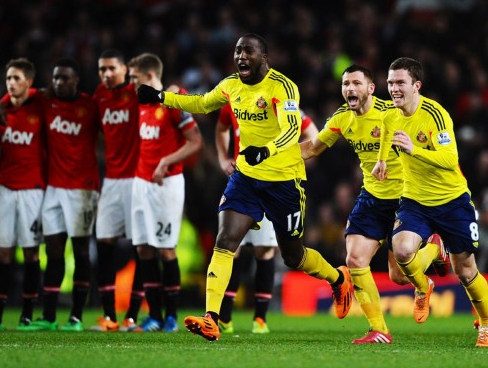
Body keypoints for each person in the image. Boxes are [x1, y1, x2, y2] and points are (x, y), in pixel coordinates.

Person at [137, 33, 353, 341]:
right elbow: (202, 103)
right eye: (238, 51)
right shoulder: (231, 85)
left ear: (263, 58)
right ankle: (212, 317)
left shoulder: (282, 86)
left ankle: (337, 277)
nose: (241, 56)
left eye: (248, 51)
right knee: (225, 240)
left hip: (284, 180)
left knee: (293, 255)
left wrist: (266, 150)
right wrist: (162, 98)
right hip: (247, 178)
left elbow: (292, 128)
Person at [301, 64, 450, 344]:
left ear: (371, 89)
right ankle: (378, 328)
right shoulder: (342, 118)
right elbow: (312, 148)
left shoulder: (390, 113)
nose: (349, 89)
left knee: (398, 275)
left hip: (405, 196)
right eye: (346, 84)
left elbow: (426, 144)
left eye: (356, 83)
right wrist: (273, 155)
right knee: (355, 259)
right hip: (372, 196)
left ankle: (433, 250)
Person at [372, 57, 488, 347]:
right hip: (415, 200)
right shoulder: (390, 116)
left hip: (453, 201)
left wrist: (414, 150)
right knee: (401, 250)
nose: (394, 88)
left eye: (400, 82)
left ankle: (486, 323)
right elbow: (388, 136)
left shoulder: (435, 115)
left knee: (465, 270)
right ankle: (424, 287)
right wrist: (382, 161)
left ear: (416, 85)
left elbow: (450, 159)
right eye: (390, 82)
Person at [0, 58, 101, 332]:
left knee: (81, 250)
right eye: (57, 78)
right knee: (53, 250)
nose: (60, 83)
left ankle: (76, 317)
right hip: (52, 188)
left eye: (66, 78)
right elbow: (17, 90)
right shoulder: (45, 101)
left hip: (83, 188)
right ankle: (48, 316)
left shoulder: (90, 105)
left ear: (77, 81)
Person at [216, 105, 318, 334]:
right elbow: (222, 126)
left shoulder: (285, 106)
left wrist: (291, 162)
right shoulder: (235, 100)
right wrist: (223, 158)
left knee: (265, 250)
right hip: (243, 185)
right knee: (231, 249)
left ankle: (260, 318)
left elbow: (313, 134)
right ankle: (224, 317)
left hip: (273, 186)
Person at [128, 53, 203, 332]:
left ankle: (171, 316)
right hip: (141, 183)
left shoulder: (172, 101)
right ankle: (154, 316)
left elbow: (196, 142)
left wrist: (165, 161)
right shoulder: (142, 105)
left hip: (167, 184)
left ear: (148, 77)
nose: (131, 83)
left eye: (134, 78)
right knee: (144, 249)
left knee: (166, 249)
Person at [0, 58, 46, 331]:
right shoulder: (1, 110)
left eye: (16, 78)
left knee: (30, 254)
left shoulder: (40, 106)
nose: (11, 83)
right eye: (8, 78)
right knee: (2, 254)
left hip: (32, 191)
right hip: (4, 189)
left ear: (28, 82)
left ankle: (27, 314)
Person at [91, 49, 144, 332]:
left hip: (138, 180)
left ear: (125, 69)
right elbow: (98, 133)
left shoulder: (138, 92)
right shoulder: (99, 95)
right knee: (104, 243)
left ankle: (132, 317)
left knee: (141, 248)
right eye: (102, 70)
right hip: (111, 180)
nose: (106, 74)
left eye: (111, 68)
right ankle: (109, 316)